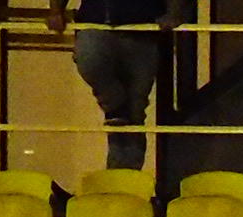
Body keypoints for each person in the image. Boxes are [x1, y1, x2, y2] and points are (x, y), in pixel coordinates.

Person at [70, 0, 179, 173]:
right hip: (97, 23)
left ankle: (123, 180)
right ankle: (115, 104)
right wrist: (55, 12)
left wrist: (173, 14)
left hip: (143, 30)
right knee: (90, 58)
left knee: (133, 112)